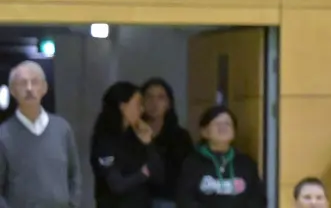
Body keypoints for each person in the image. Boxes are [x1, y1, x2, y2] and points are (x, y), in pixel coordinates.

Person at [0, 60, 83, 208]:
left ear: (44, 88)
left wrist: (73, 204)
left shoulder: (62, 128)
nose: (29, 88)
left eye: (35, 82)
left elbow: (74, 175)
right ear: (12, 90)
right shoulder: (3, 135)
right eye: (22, 83)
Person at [174, 105, 266, 207]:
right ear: (204, 132)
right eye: (217, 123)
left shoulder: (246, 163)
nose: (223, 127)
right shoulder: (192, 163)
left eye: (227, 124)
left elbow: (257, 199)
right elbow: (185, 200)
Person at [91, 81, 163, 208]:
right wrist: (143, 174)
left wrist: (149, 143)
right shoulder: (104, 141)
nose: (142, 110)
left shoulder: (136, 135)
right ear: (123, 106)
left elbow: (159, 175)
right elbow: (116, 185)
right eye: (137, 104)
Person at [143, 77, 193, 208]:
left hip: (167, 198)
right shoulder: (131, 133)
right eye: (149, 97)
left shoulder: (180, 136)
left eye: (160, 98)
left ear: (169, 103)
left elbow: (183, 174)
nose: (154, 103)